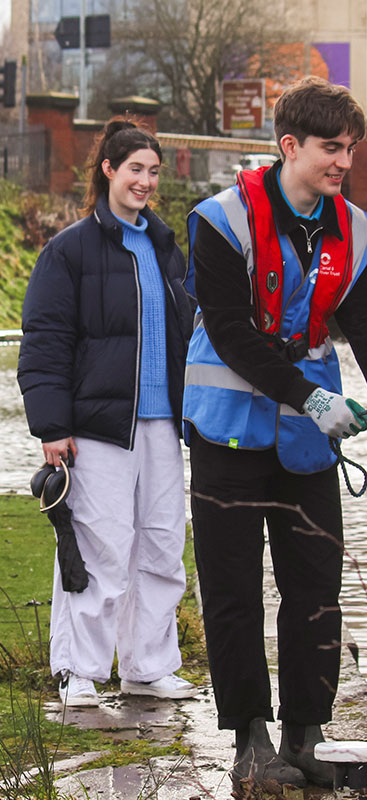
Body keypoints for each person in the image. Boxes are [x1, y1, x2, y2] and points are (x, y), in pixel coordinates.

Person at [183, 76, 367, 790]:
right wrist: (306, 397)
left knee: (315, 587)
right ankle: (251, 742)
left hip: (306, 444)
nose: (344, 161)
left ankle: (307, 734)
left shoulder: (354, 228)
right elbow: (227, 330)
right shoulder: (221, 222)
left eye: (350, 148)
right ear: (289, 146)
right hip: (226, 434)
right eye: (330, 148)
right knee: (232, 592)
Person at [17, 118, 196, 707]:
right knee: (99, 547)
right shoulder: (67, 251)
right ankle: (80, 672)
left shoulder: (168, 251)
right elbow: (44, 342)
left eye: (153, 172)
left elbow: (188, 338)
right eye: (135, 169)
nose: (144, 181)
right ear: (108, 171)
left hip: (163, 425)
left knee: (163, 545)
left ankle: (148, 666)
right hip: (96, 431)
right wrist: (52, 427)